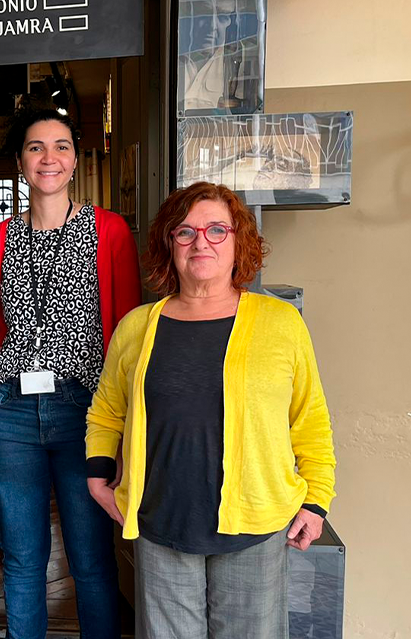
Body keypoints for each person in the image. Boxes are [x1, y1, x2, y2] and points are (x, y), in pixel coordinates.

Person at [85, 182, 337, 639]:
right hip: (160, 524)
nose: (201, 241)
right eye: (185, 232)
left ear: (239, 241)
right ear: (170, 245)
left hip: (255, 526)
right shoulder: (138, 326)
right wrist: (99, 477)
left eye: (217, 230)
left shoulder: (280, 323)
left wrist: (316, 499)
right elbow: (106, 410)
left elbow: (310, 417)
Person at [0, 108, 141, 638]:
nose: (49, 157)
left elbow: (126, 333)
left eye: (61, 146)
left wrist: (123, 427)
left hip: (84, 411)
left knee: (91, 558)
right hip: (9, 412)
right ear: (20, 161)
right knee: (22, 559)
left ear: (76, 160)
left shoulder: (108, 230)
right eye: (35, 147)